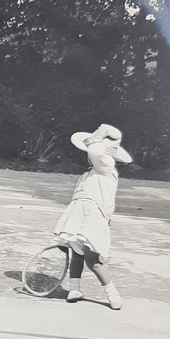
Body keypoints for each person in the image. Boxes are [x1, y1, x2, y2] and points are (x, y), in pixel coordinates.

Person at [53, 124, 133, 309]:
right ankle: (75, 289)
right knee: (77, 254)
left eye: (89, 147)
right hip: (78, 214)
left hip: (92, 216)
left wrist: (99, 136)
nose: (87, 152)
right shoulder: (90, 172)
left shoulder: (107, 168)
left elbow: (97, 151)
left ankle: (112, 294)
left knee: (93, 261)